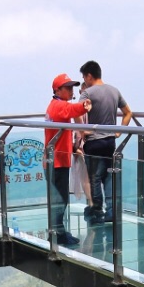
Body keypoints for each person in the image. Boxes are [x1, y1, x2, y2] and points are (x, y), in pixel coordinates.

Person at [78, 60, 132, 225]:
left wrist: (83, 131)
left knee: (95, 178)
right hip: (110, 141)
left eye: (84, 77)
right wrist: (119, 130)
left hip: (94, 141)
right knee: (109, 176)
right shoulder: (114, 91)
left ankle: (97, 211)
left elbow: (77, 112)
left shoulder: (87, 93)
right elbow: (128, 112)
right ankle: (112, 212)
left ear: (89, 76)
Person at [44, 74, 91, 247]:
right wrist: (85, 106)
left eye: (72, 87)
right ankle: (57, 233)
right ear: (57, 90)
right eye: (67, 87)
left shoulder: (55, 106)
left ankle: (59, 231)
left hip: (56, 159)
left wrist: (72, 147)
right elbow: (73, 110)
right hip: (56, 161)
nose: (71, 90)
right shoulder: (58, 106)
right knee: (60, 199)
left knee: (60, 198)